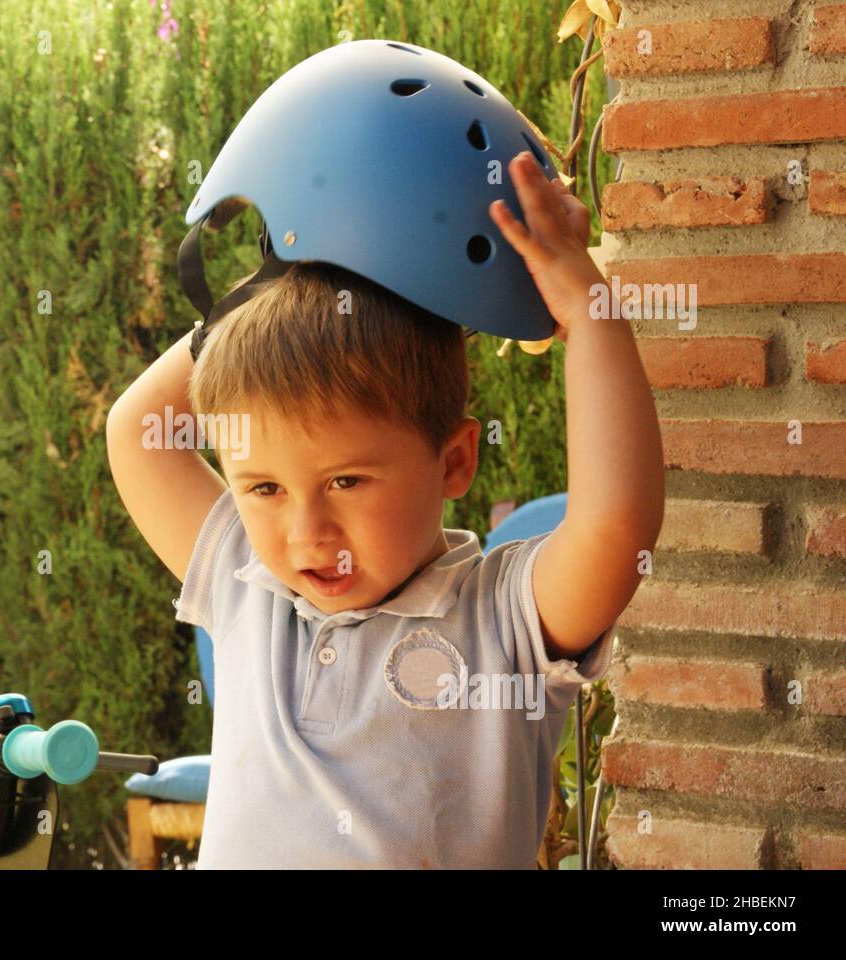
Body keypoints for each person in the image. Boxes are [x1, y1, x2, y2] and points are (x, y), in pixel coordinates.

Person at [105, 40, 664, 868]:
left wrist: (587, 313)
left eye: (346, 479)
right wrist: (281, 277)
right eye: (260, 487)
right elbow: (135, 432)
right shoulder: (249, 588)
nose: (305, 530)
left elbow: (618, 525)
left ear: (453, 463)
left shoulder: (504, 622)